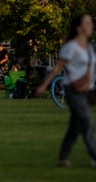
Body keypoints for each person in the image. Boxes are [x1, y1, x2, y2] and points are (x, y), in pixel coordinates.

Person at [35, 14, 96, 167]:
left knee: (75, 127)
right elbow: (57, 69)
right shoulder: (70, 47)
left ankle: (62, 158)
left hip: (87, 90)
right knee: (87, 122)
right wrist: (43, 86)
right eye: (87, 23)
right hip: (73, 91)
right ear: (78, 27)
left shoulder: (89, 47)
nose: (91, 25)